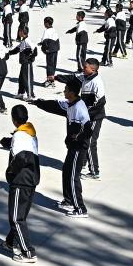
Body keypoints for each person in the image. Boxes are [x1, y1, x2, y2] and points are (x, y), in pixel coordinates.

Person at [30, 80, 92, 218]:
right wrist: (38, 102)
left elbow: (88, 130)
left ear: (72, 93)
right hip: (72, 147)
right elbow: (55, 105)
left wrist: (77, 137)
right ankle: (69, 200)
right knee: (66, 172)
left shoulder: (80, 108)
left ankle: (81, 209)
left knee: (73, 177)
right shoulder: (70, 103)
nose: (64, 91)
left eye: (66, 89)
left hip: (79, 148)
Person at [0, 104, 40, 263]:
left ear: (13, 120)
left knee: (16, 218)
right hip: (31, 178)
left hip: (21, 180)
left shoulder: (19, 136)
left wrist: (10, 172)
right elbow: (26, 150)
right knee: (20, 214)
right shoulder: (30, 132)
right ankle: (10, 242)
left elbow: (21, 157)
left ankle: (28, 252)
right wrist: (8, 141)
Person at [51, 58, 106, 180]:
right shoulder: (85, 77)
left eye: (85, 67)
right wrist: (56, 77)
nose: (83, 68)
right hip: (86, 115)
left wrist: (87, 116)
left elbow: (101, 103)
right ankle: (82, 162)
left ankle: (94, 172)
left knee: (90, 141)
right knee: (83, 139)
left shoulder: (97, 82)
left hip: (94, 116)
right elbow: (72, 78)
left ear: (93, 69)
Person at [7, 26, 37, 101]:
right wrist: (9, 53)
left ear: (22, 32)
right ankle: (21, 93)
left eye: (19, 31)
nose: (18, 32)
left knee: (27, 78)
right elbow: (17, 49)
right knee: (21, 78)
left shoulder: (27, 41)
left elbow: (35, 49)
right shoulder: (23, 41)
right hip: (24, 63)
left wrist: (30, 58)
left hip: (27, 63)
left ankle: (31, 95)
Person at [39, 17, 60, 88]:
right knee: (53, 65)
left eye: (44, 23)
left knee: (49, 66)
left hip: (50, 51)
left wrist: (44, 50)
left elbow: (44, 41)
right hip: (55, 50)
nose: (44, 24)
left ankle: (50, 82)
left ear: (47, 24)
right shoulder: (54, 30)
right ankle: (51, 80)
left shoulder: (47, 31)